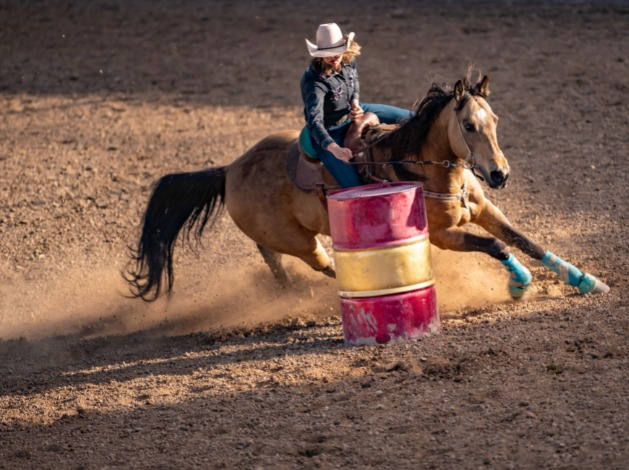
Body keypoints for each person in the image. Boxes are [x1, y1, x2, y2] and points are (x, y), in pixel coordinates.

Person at [300, 23, 412, 188]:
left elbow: (354, 82)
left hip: (353, 112)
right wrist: (335, 149)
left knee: (413, 118)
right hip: (330, 130)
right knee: (356, 188)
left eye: (337, 50)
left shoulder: (347, 60)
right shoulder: (315, 83)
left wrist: (355, 103)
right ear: (319, 55)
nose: (334, 56)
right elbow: (315, 121)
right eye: (327, 53)